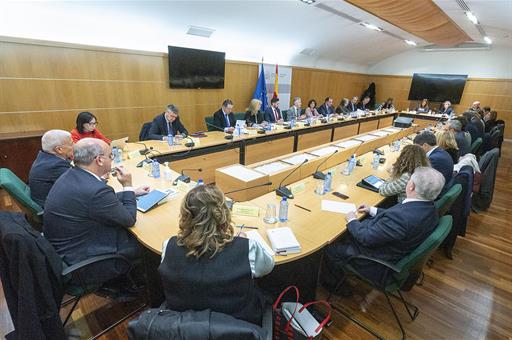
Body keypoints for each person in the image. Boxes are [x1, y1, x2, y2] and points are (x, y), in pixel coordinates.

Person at [159, 184, 274, 326]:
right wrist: (245, 241)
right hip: (238, 328)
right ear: (223, 214)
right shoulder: (247, 248)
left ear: (185, 216)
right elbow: (269, 265)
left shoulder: (168, 246)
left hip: (182, 327)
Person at [321, 167, 444, 294]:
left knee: (331, 249)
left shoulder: (401, 218)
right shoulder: (429, 208)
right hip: (393, 247)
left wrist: (352, 220)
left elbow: (365, 238)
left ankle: (337, 288)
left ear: (411, 186)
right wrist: (372, 210)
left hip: (374, 260)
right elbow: (397, 216)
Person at [43, 138, 150, 286]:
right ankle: (144, 287)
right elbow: (129, 219)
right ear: (99, 160)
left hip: (65, 249)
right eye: (111, 156)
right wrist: (127, 186)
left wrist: (132, 193)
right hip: (84, 261)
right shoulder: (95, 189)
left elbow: (95, 202)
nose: (112, 160)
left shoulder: (72, 174)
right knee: (145, 245)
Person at [28, 130, 73, 208]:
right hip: (52, 208)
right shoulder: (55, 166)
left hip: (47, 199)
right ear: (59, 149)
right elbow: (80, 184)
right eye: (71, 144)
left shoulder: (45, 156)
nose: (75, 146)